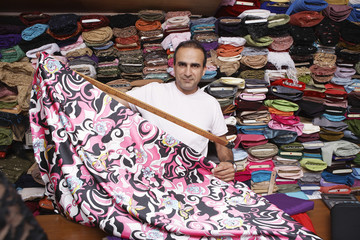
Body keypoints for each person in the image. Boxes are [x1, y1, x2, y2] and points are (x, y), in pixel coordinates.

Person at [116, 40, 235, 182]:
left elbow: (222, 143)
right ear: (173, 67)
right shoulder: (152, 91)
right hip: (150, 181)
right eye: (182, 65)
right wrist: (84, 91)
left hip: (191, 183)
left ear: (204, 70)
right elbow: (109, 102)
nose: (188, 72)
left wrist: (228, 163)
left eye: (195, 66)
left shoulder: (211, 104)